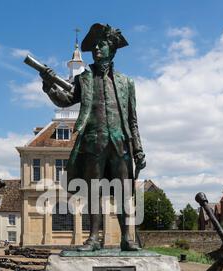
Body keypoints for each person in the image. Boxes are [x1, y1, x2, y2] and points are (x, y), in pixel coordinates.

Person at [40, 23, 146, 252]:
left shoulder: (126, 82)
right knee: (93, 191)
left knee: (123, 192)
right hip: (93, 142)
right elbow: (65, 99)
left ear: (113, 48)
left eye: (102, 44)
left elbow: (132, 119)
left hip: (120, 144)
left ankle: (127, 238)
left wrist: (138, 149)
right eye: (94, 46)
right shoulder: (84, 79)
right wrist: (48, 85)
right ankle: (95, 238)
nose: (97, 49)